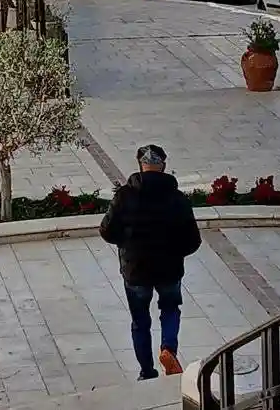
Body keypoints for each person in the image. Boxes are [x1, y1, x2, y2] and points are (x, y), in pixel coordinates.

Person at [99, 145, 201, 381]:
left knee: (140, 321)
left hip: (135, 270)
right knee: (170, 309)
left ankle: (147, 371)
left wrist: (126, 245)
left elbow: (106, 230)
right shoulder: (177, 199)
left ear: (139, 165)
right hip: (169, 268)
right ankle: (168, 349)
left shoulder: (124, 196)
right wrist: (177, 253)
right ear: (163, 166)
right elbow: (193, 239)